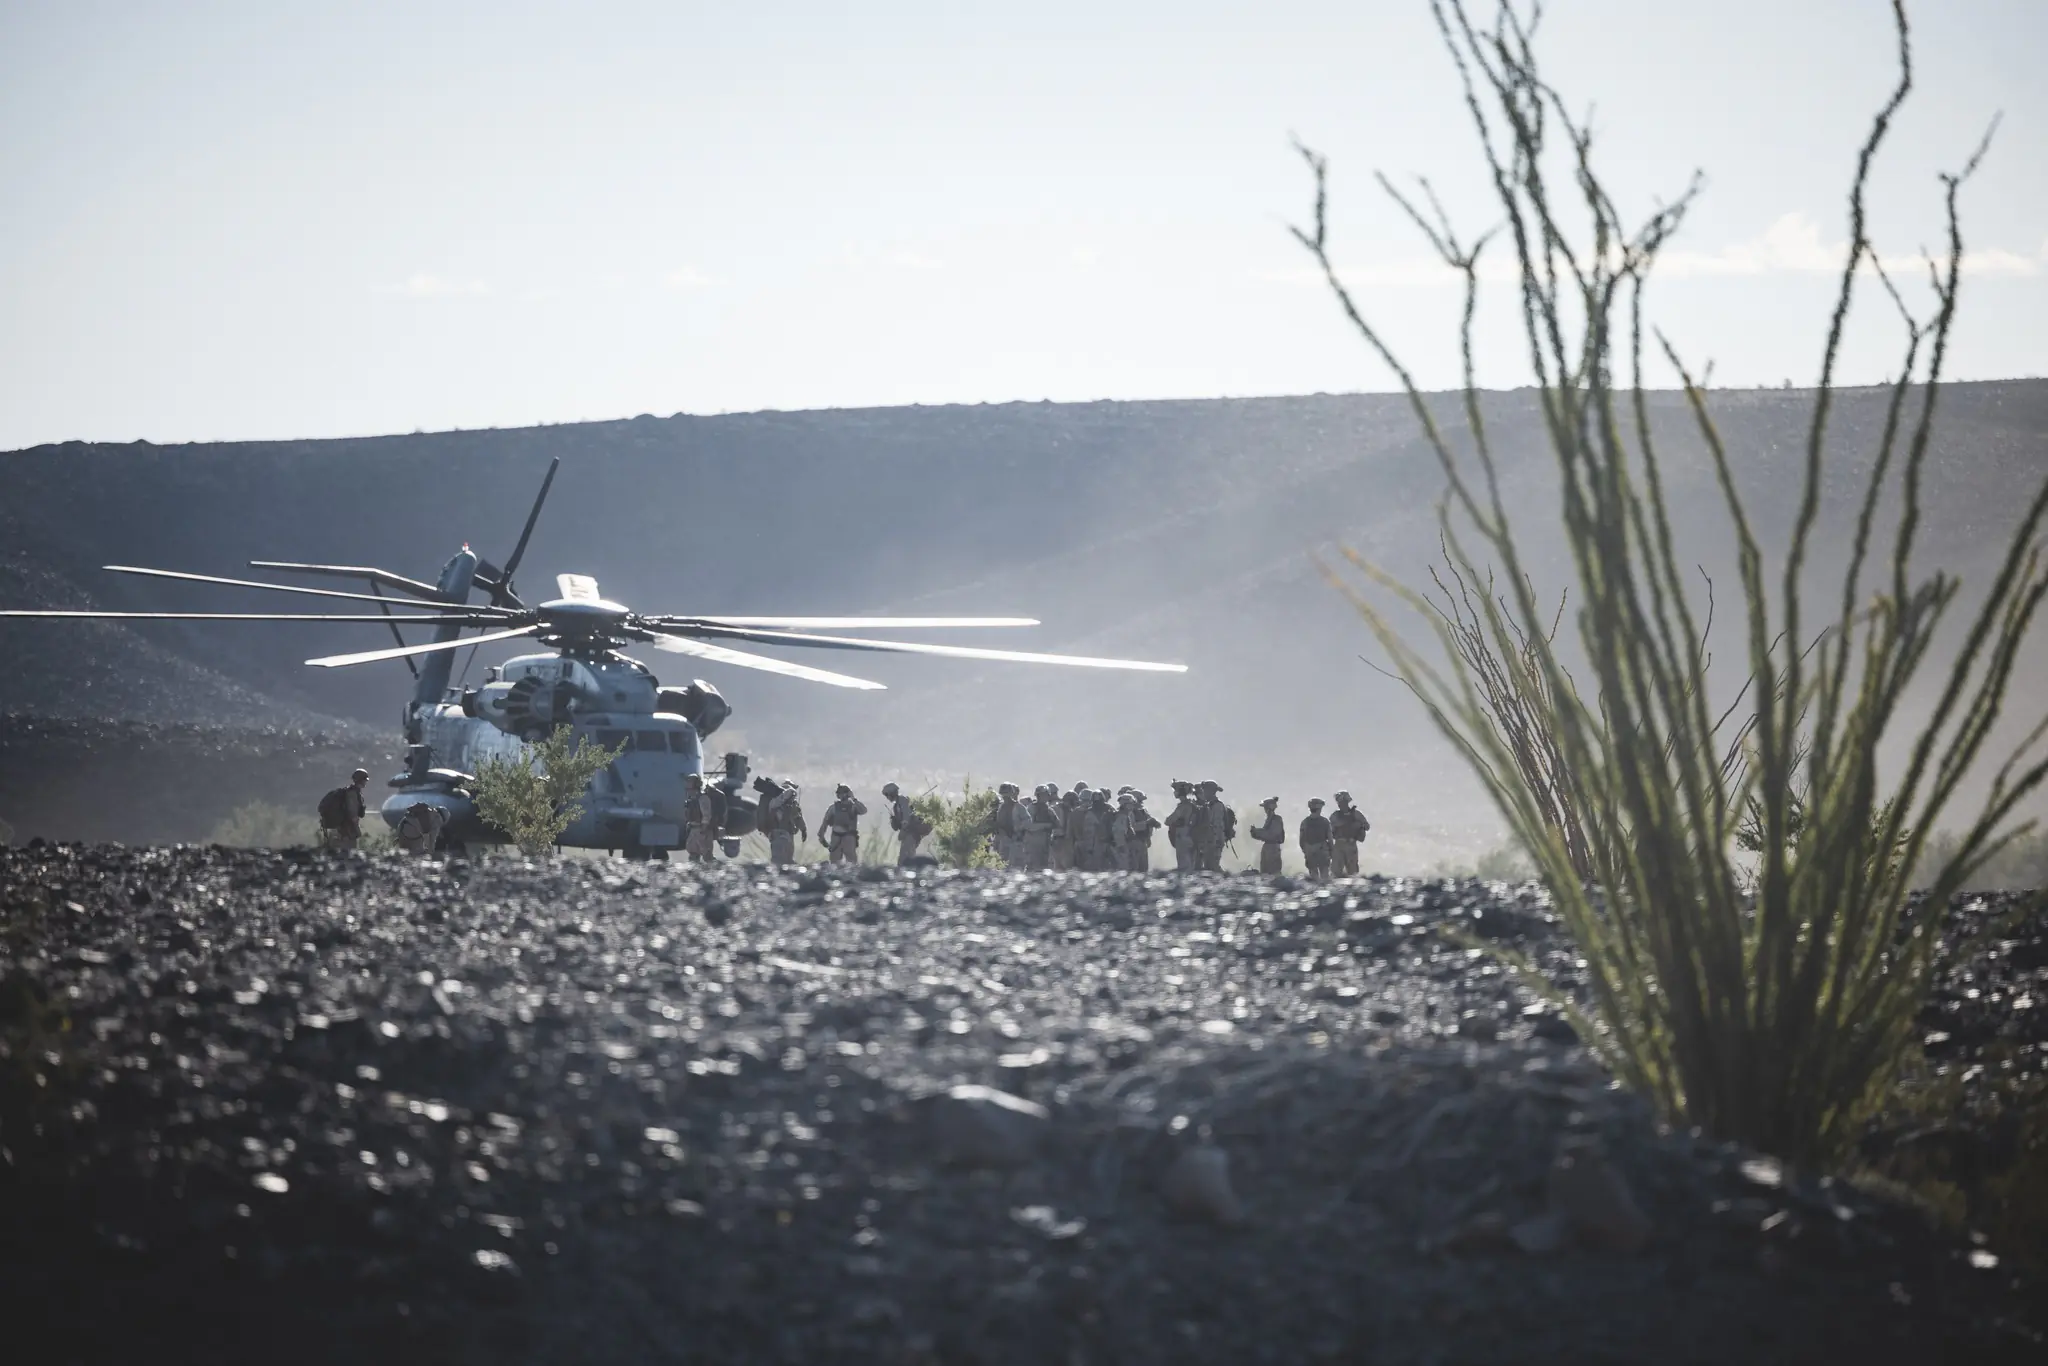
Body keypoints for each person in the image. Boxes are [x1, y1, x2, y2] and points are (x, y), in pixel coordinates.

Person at [318, 768, 371, 851]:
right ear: (361, 780)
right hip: (346, 831)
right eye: (364, 780)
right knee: (347, 854)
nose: (365, 782)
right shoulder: (352, 794)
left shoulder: (352, 792)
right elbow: (353, 815)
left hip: (342, 830)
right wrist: (357, 831)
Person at [882, 782, 932, 866]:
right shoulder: (896, 806)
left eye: (887, 795)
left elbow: (906, 818)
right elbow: (897, 826)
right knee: (905, 855)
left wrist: (903, 829)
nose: (887, 797)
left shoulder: (902, 800)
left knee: (906, 856)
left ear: (892, 793)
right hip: (908, 834)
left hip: (912, 832)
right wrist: (893, 821)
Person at [1191, 780, 1235, 872]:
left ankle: (1224, 879)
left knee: (1212, 866)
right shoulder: (1209, 805)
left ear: (1210, 791)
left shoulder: (1217, 806)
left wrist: (1216, 841)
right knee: (1208, 866)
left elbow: (1217, 825)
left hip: (1214, 841)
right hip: (1209, 841)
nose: (1203, 793)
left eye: (1205, 790)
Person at [1114, 790, 1162, 872]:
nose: (1140, 803)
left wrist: (1148, 835)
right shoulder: (1127, 814)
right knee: (1134, 867)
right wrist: (1146, 823)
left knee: (1143, 867)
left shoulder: (1141, 811)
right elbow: (1131, 827)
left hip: (1141, 841)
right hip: (1133, 842)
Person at [820, 784, 866, 865]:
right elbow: (825, 822)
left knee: (852, 862)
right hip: (836, 837)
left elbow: (863, 811)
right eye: (839, 793)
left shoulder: (853, 806)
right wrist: (821, 835)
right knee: (834, 862)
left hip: (849, 836)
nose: (841, 795)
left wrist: (854, 799)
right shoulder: (834, 807)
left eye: (843, 793)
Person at [1330, 791, 1371, 877]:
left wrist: (1357, 825)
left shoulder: (1356, 814)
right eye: (1339, 802)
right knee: (1336, 871)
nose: (1340, 804)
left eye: (1342, 802)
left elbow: (1366, 826)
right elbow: (1330, 830)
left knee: (1353, 872)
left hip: (1351, 844)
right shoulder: (1335, 815)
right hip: (1339, 845)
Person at [683, 774, 719, 861]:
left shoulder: (703, 798)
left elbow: (706, 814)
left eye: (690, 782)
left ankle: (713, 872)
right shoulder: (691, 798)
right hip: (693, 829)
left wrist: (704, 828)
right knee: (693, 854)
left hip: (702, 829)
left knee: (707, 855)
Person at [1023, 785, 1059, 870]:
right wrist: (1045, 826)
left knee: (1045, 867)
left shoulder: (1049, 810)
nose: (1044, 797)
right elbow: (1029, 826)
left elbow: (1057, 824)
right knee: (1032, 868)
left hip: (1045, 843)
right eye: (1042, 795)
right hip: (1033, 843)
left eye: (1045, 795)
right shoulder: (1031, 808)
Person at [1165, 780, 1197, 871]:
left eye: (1176, 790)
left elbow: (1169, 820)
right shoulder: (1192, 804)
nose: (1175, 792)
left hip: (1182, 835)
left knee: (1183, 862)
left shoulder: (1183, 806)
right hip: (1190, 834)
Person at [1300, 797, 1334, 881]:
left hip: (1309, 850)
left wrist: (1305, 849)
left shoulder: (1305, 822)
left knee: (1313, 876)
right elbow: (1330, 838)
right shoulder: (1325, 821)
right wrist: (1332, 851)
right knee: (1324, 874)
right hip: (1322, 850)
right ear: (1319, 808)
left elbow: (1301, 839)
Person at [1251, 797, 1286, 875]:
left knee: (1273, 871)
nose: (1264, 809)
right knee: (1265, 871)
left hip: (1272, 847)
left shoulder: (1276, 819)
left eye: (1265, 807)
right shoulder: (1269, 819)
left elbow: (1271, 834)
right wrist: (1255, 833)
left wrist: (1258, 832)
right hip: (1268, 846)